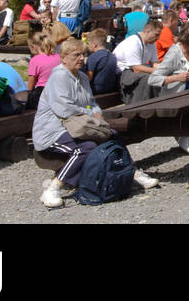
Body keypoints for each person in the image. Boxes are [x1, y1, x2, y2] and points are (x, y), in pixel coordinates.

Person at [35, 37, 158, 207]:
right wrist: (91, 114)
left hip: (79, 125)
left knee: (112, 135)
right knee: (85, 148)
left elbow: (91, 102)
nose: (81, 58)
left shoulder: (82, 77)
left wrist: (96, 112)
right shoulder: (58, 77)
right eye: (76, 55)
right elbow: (64, 108)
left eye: (83, 54)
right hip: (52, 132)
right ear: (63, 58)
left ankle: (133, 173)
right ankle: (53, 187)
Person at [149, 23, 189, 154]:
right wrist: (176, 78)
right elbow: (153, 79)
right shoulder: (174, 54)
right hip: (177, 96)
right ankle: (188, 136)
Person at [115, 19, 161, 103]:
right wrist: (156, 71)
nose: (158, 38)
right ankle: (144, 106)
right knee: (149, 79)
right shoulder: (134, 42)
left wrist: (163, 70)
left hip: (136, 71)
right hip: (123, 73)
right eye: (156, 35)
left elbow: (154, 63)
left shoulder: (151, 43)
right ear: (147, 31)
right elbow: (136, 68)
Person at [26, 32, 61, 111]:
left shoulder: (35, 60)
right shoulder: (58, 57)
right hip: (59, 90)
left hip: (43, 93)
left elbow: (30, 86)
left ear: (34, 46)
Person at [85, 29, 121, 95]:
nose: (87, 46)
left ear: (94, 45)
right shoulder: (112, 55)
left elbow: (88, 78)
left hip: (96, 89)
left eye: (88, 44)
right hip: (110, 88)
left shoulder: (93, 57)